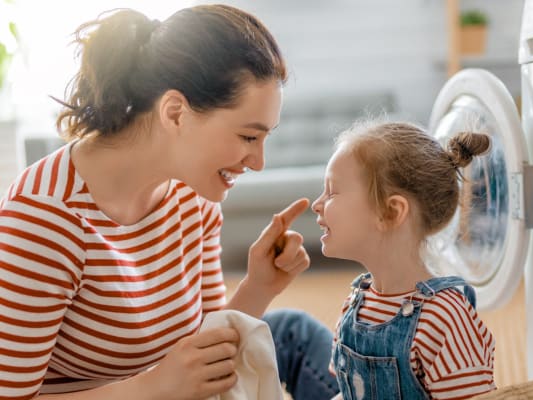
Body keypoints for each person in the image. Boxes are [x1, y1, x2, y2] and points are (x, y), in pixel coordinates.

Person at [0, 5, 337, 400]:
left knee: (295, 333)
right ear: (175, 112)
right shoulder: (45, 218)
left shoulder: (193, 197)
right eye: (248, 137)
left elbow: (202, 350)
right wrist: (152, 388)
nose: (259, 163)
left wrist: (258, 286)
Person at [310, 121, 497, 399]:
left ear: (391, 211)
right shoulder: (355, 305)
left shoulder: (445, 318)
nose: (317, 203)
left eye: (332, 192)